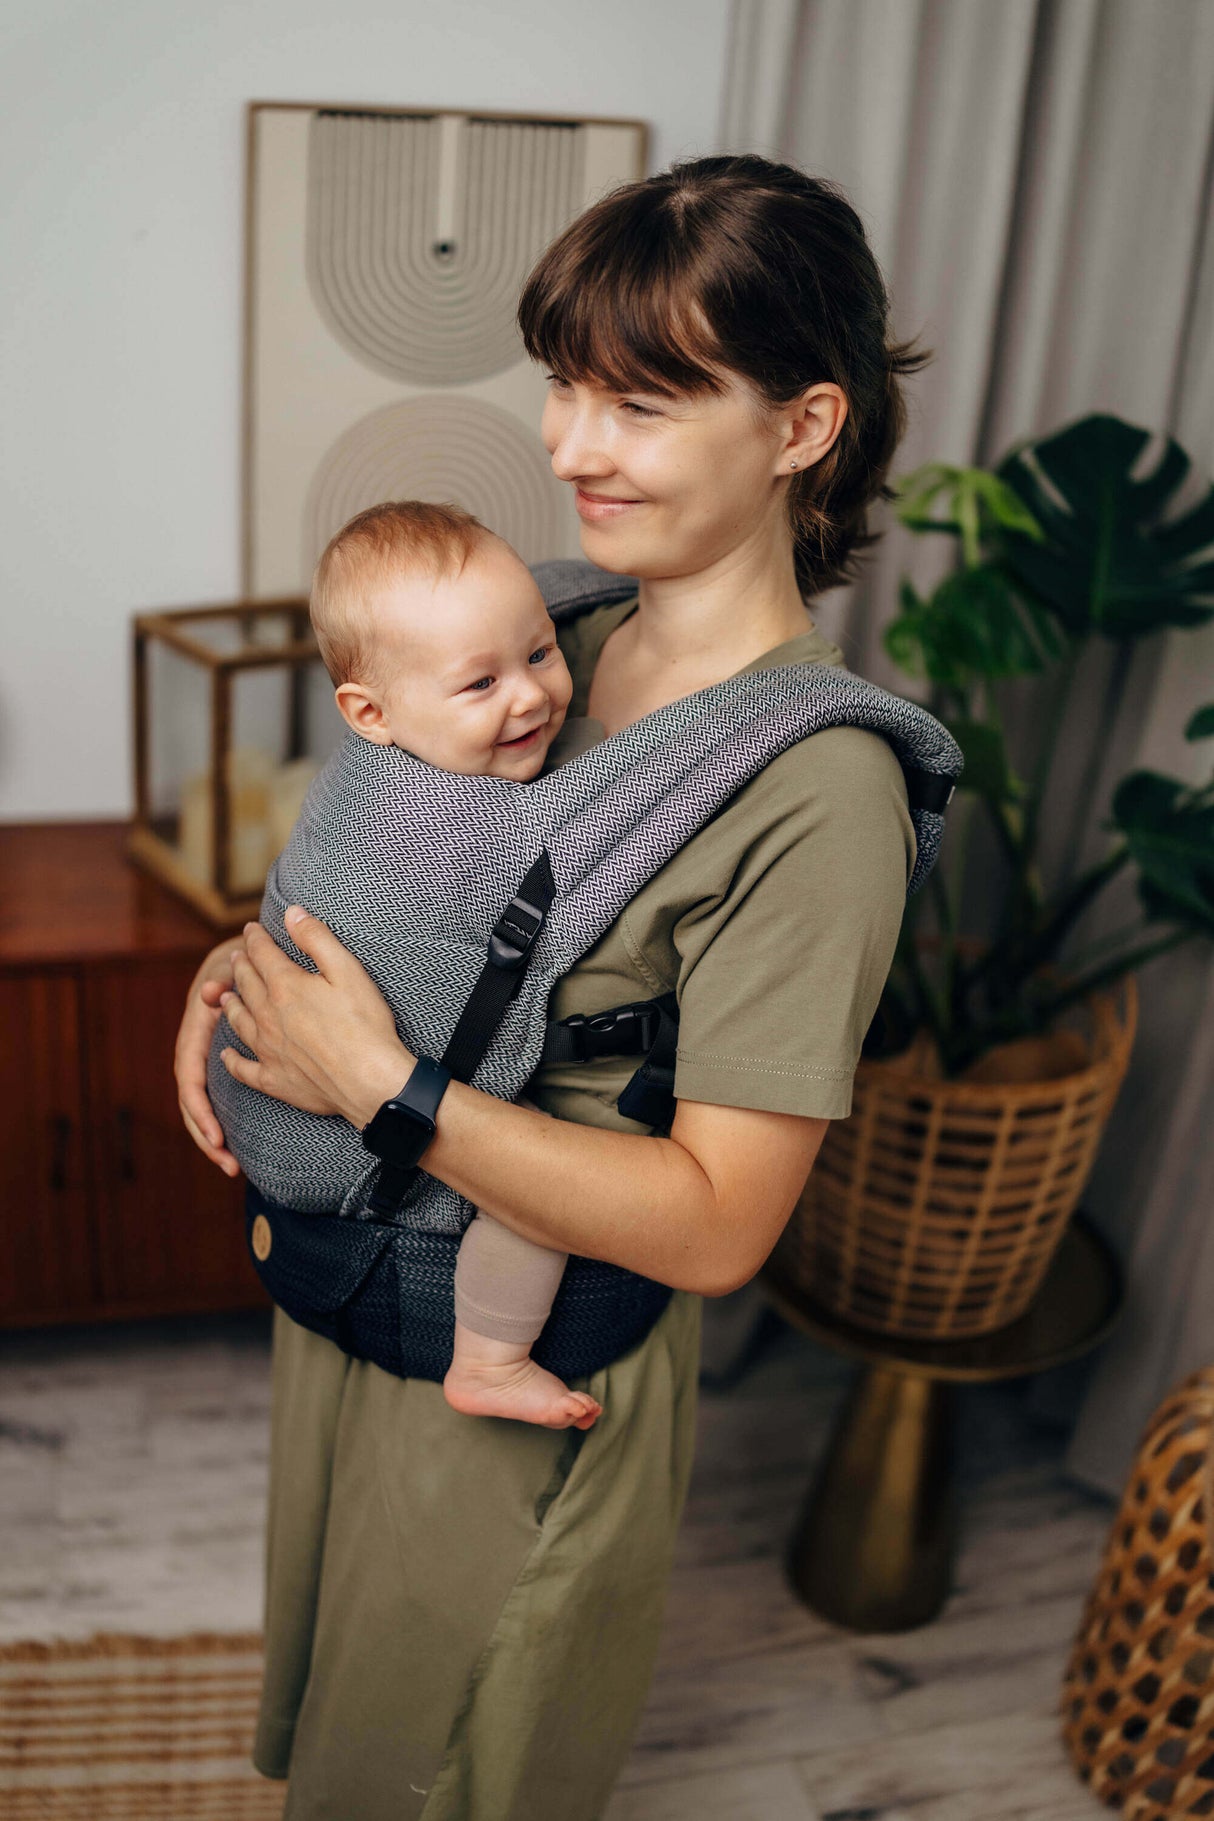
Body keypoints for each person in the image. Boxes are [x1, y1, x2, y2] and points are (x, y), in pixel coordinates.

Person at [175, 153, 926, 1821]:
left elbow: (716, 1227)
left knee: (447, 1761)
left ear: (801, 426)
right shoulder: (549, 636)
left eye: (640, 402)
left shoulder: (820, 792)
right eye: (566, 385)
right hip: (364, 1285)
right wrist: (245, 974)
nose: (569, 444)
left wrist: (375, 1084)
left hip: (520, 1363)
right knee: (353, 1708)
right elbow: (395, 880)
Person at [213, 496, 607, 1432]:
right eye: (481, 683)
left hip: (258, 1082)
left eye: (541, 652)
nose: (530, 696)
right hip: (317, 1137)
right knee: (538, 1187)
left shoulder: (368, 765)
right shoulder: (431, 832)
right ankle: (491, 1358)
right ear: (371, 713)